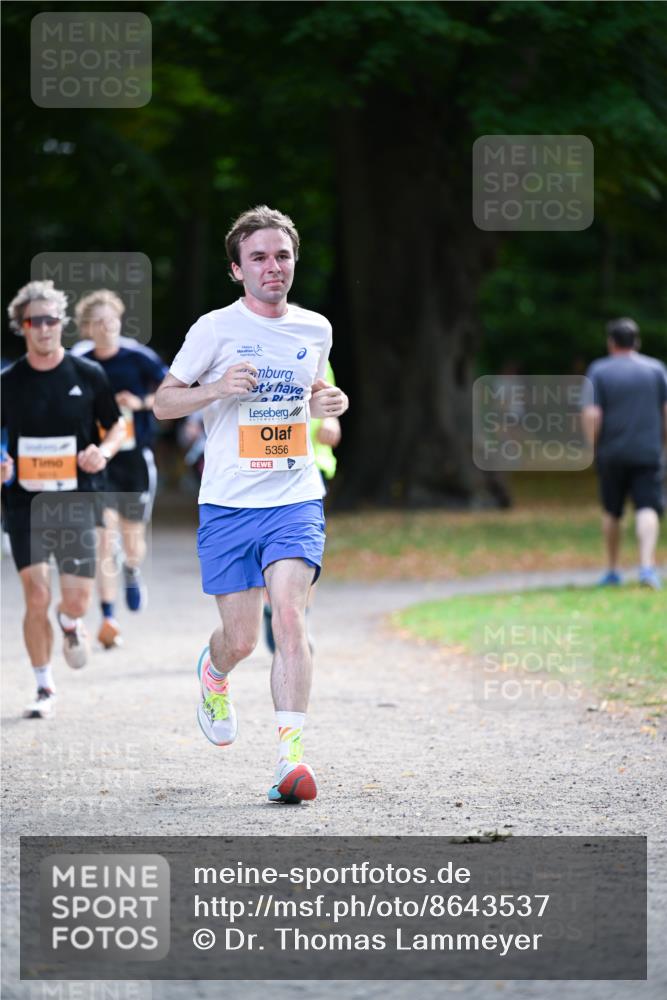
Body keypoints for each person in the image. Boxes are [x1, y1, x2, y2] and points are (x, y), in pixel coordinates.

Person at [154, 205, 349, 804]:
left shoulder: (315, 329)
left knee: (289, 617)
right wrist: (217, 388)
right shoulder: (214, 329)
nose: (273, 267)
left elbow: (309, 392)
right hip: (228, 504)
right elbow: (163, 402)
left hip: (295, 496)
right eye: (259, 257)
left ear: (294, 262)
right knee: (239, 639)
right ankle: (214, 674)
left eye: (282, 255)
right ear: (237, 270)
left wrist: (325, 403)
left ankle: (291, 760)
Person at [1, 280, 124, 718]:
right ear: (22, 326)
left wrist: (101, 452)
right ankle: (43, 687)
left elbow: (116, 426)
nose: (44, 327)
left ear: (62, 323)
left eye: (51, 319)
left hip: (77, 500)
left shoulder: (87, 374)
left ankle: (70, 621)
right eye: (34, 321)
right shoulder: (8, 382)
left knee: (76, 601)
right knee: (36, 594)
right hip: (25, 502)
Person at [72, 290, 168, 648]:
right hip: (98, 460)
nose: (105, 327)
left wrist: (140, 402)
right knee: (102, 539)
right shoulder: (79, 361)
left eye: (110, 320)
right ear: (86, 328)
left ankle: (131, 569)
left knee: (131, 540)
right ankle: (108, 617)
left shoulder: (138, 357)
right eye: (97, 322)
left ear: (120, 320)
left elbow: (172, 393)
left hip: (133, 459)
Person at [263, 360, 341, 653]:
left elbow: (329, 395)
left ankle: (300, 616)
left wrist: (332, 420)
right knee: (267, 546)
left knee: (306, 548)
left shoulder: (314, 348)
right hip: (264, 467)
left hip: (310, 464)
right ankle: (273, 606)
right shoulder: (248, 351)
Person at [582, 317, 667, 590]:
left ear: (611, 342)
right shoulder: (656, 369)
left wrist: (592, 446)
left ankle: (612, 570)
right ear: (636, 342)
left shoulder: (599, 371)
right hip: (648, 451)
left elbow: (592, 415)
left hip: (612, 453)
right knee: (647, 507)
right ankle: (647, 567)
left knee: (612, 510)